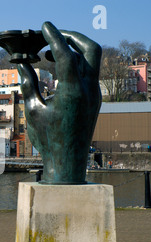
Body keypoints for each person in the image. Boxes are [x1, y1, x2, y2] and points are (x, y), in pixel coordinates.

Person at [17, 22, 102, 184]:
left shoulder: (39, 115)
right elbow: (92, 49)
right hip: (77, 177)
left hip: (52, 178)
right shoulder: (91, 94)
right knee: (93, 51)